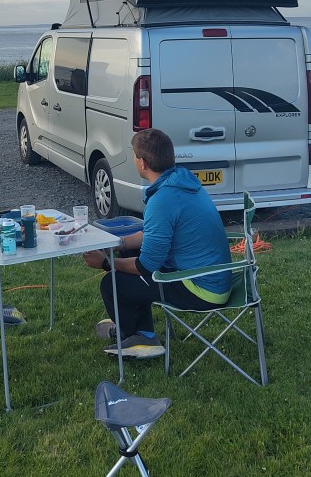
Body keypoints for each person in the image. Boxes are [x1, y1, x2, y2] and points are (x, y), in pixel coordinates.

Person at [83, 128, 232, 359]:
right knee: (130, 252)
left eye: (134, 156)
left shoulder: (163, 199)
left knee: (112, 283)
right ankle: (140, 330)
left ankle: (139, 338)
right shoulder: (181, 183)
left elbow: (147, 266)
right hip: (214, 277)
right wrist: (119, 243)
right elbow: (154, 234)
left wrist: (106, 263)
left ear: (142, 162)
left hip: (202, 289)